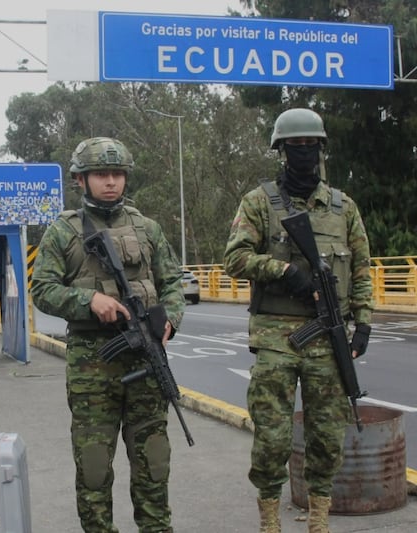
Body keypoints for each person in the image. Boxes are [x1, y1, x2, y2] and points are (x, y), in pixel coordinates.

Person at [223, 108, 373, 533]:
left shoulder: (344, 208)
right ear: (282, 151)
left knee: (328, 435)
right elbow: (234, 258)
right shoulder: (259, 202)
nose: (304, 154)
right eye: (296, 146)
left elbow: (362, 269)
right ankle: (270, 520)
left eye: (311, 146)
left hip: (330, 337)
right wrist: (286, 272)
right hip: (275, 338)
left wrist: (362, 323)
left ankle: (319, 519)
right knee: (271, 437)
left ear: (320, 149)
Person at [30, 137, 185, 533]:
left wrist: (169, 320)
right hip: (91, 365)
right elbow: (42, 290)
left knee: (154, 463)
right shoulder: (63, 232)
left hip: (147, 363)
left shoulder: (147, 229)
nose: (111, 182)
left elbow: (172, 284)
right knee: (95, 468)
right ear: (81, 180)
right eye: (101, 174)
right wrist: (89, 301)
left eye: (117, 174)